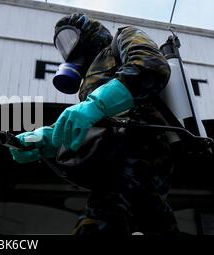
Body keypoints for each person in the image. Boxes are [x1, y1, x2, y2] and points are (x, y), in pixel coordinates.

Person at [9, 13, 179, 235]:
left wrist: (95, 104)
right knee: (152, 219)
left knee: (101, 219)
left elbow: (151, 66)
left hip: (142, 150)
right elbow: (98, 125)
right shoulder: (90, 81)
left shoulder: (122, 38)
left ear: (88, 32)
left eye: (70, 38)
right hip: (116, 161)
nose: (68, 49)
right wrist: (46, 138)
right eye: (62, 45)